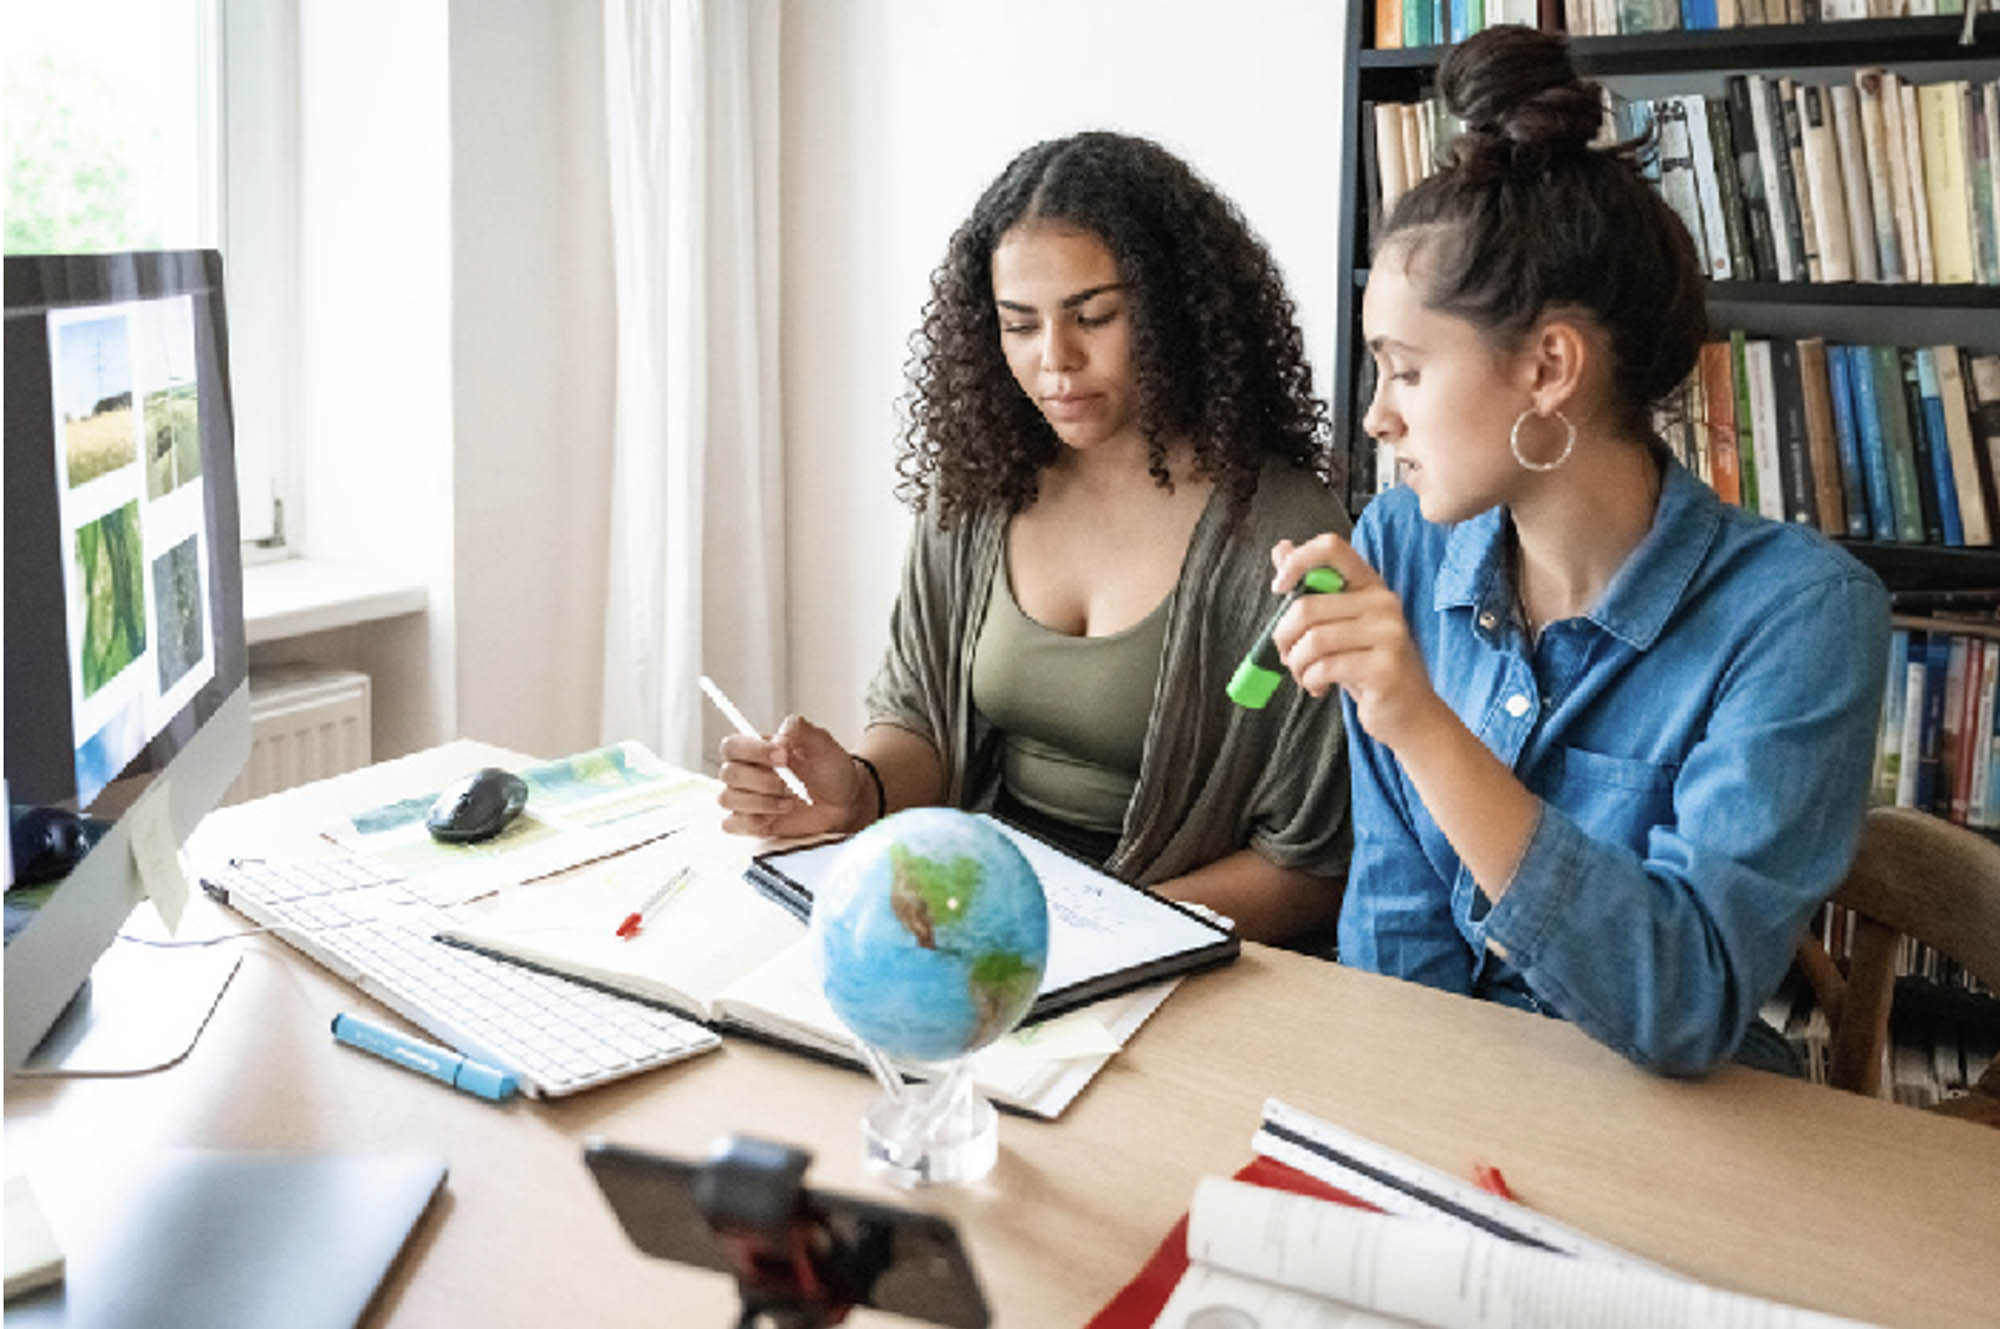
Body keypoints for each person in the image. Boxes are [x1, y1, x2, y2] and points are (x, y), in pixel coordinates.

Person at [1268, 26, 1889, 1073]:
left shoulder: (1799, 616)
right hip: (1444, 1111)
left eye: (1405, 372)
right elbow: (1393, 922)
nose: (1373, 418)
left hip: (1676, 1138)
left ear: (1548, 366)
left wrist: (1420, 724)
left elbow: (1685, 1002)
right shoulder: (1397, 552)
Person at [718, 130, 1351, 946]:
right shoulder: (982, 485)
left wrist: (1105, 931)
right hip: (984, 921)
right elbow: (920, 717)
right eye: (1019, 325)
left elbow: (1308, 867)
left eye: (1095, 316)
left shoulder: (1287, 533)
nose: (1056, 360)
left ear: (1178, 312)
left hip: (1176, 941)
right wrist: (859, 789)